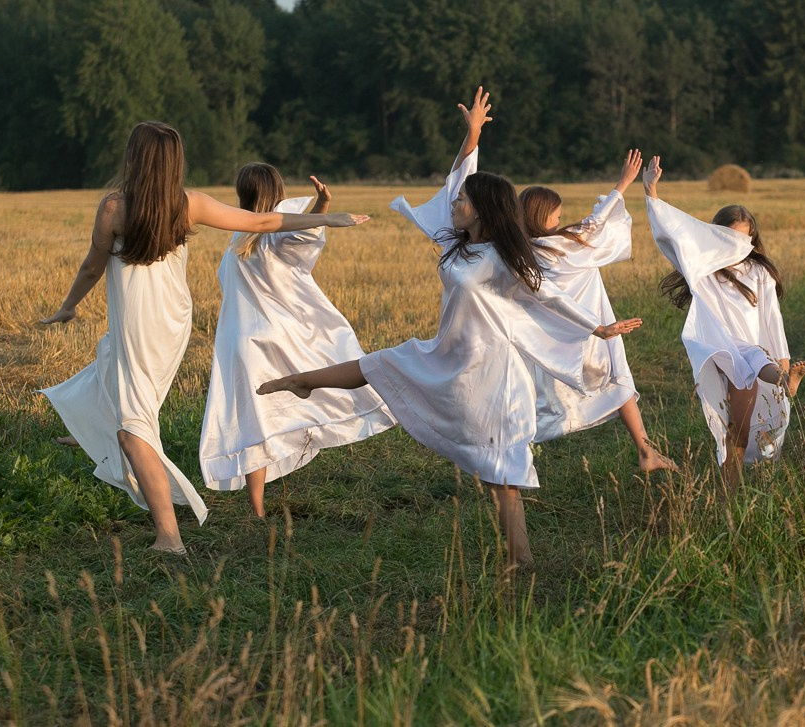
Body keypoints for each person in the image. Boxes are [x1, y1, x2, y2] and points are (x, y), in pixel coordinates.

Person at [257, 89, 641, 568]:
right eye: (458, 199)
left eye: (463, 201)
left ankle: (519, 561)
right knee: (383, 363)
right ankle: (303, 382)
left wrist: (598, 326)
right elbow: (459, 175)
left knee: (502, 472)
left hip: (491, 371)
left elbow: (548, 295)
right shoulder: (455, 243)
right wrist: (473, 133)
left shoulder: (504, 256)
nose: (455, 202)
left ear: (482, 210)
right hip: (449, 354)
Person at [39, 121, 368, 555]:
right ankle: (93, 428)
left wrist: (68, 305)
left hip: (140, 321)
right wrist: (325, 215)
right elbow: (264, 220)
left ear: (133, 159)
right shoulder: (188, 204)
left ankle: (169, 537)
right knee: (110, 362)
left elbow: (91, 267)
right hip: (172, 321)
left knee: (134, 428)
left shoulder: (114, 208)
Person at [197, 164, 395, 517]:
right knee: (310, 390)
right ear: (279, 190)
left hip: (241, 343)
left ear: (241, 193)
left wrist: (318, 210)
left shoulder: (237, 241)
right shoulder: (274, 231)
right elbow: (306, 236)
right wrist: (322, 206)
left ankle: (256, 508)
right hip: (278, 336)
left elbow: (302, 233)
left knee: (255, 419)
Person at [642, 155, 805, 487]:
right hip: (719, 350)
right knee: (735, 418)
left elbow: (772, 320)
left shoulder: (760, 272)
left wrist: (785, 361)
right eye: (729, 239)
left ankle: (784, 380)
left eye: (744, 240)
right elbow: (671, 238)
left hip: (750, 354)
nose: (737, 248)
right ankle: (730, 496)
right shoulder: (702, 270)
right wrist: (651, 192)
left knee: (741, 423)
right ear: (715, 237)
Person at [519, 150, 676, 474]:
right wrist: (624, 183)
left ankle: (646, 451)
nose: (561, 220)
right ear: (540, 216)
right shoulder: (562, 246)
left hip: (561, 335)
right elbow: (595, 224)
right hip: (595, 329)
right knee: (618, 377)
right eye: (556, 216)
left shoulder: (527, 251)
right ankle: (644, 451)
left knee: (610, 380)